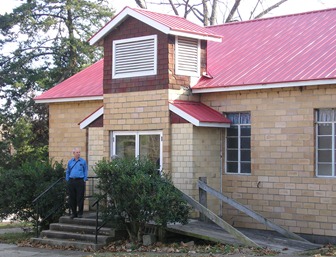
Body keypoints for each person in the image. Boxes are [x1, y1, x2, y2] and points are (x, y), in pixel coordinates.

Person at [65, 147, 88, 219]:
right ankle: (73, 213)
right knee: (72, 198)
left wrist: (84, 179)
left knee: (80, 197)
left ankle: (80, 213)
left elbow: (85, 171)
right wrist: (67, 179)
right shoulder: (70, 161)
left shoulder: (83, 161)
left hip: (80, 181)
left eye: (79, 152)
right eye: (77, 152)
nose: (78, 153)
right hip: (72, 181)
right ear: (73, 153)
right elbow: (67, 171)